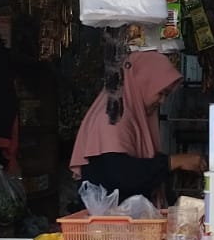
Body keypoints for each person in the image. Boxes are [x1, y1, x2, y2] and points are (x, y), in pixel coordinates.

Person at [69, 50, 206, 204]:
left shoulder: (128, 111)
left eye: (166, 95)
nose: (162, 101)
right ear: (143, 83)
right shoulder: (113, 115)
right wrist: (172, 162)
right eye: (161, 93)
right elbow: (122, 174)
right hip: (109, 215)